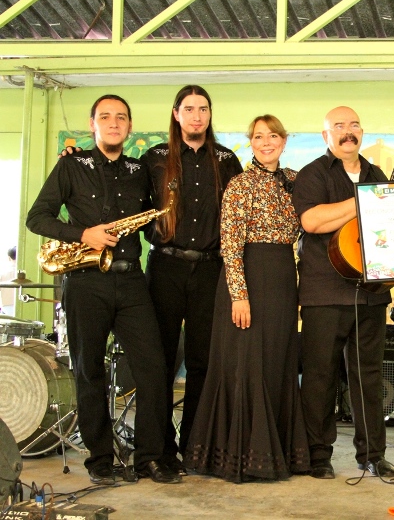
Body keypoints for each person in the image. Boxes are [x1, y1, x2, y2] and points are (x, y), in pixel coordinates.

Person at [26, 95, 180, 485]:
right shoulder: (71, 164)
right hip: (84, 282)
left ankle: (150, 458)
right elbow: (37, 217)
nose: (114, 123)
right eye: (106, 117)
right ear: (92, 123)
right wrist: (83, 234)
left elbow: (148, 224)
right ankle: (100, 461)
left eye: (121, 118)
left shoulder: (139, 168)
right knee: (89, 373)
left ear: (129, 127)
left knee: (153, 370)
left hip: (131, 281)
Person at [183, 114, 311, 482]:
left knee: (278, 362)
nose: (266, 142)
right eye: (258, 137)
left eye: (273, 136)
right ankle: (243, 456)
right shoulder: (239, 184)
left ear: (284, 141)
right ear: (250, 143)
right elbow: (230, 245)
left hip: (284, 279)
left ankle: (281, 453)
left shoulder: (296, 181)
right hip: (248, 280)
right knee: (247, 365)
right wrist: (239, 295)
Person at [292, 106, 394, 479]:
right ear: (326, 135)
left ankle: (373, 455)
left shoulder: (375, 174)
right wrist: (364, 199)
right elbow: (311, 221)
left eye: (354, 125)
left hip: (371, 293)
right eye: (338, 126)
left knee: (369, 377)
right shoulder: (312, 174)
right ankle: (318, 455)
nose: (347, 132)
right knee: (320, 377)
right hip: (324, 292)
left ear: (362, 132)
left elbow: (391, 228)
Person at [142, 85, 243, 473]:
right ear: (176, 114)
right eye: (189, 109)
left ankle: (195, 447)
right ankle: (161, 449)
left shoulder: (227, 160)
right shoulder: (154, 159)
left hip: (210, 270)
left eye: (203, 109)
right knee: (162, 361)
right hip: (164, 268)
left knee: (203, 361)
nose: (197, 116)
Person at [1, 246, 16, 316]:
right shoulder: (25, 272)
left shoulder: (3, 272)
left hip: (7, 307)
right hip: (24, 304)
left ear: (9, 258)